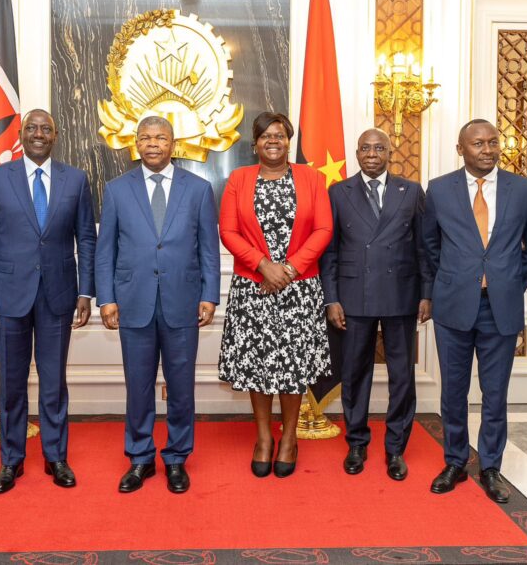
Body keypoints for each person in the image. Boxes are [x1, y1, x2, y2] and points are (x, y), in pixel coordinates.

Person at [0, 109, 96, 492]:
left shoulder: (74, 179)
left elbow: (86, 239)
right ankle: (11, 461)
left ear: (55, 135)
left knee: (54, 382)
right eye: (32, 128)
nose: (38, 133)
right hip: (6, 297)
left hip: (59, 295)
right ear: (22, 134)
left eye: (46, 128)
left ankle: (56, 457)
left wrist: (85, 291)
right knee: (11, 382)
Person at [96, 115, 220, 494]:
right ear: (136, 142)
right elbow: (106, 251)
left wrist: (210, 294)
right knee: (138, 385)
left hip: (183, 301)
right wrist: (106, 298)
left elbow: (208, 250)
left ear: (172, 144)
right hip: (133, 302)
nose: (152, 144)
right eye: (145, 137)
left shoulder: (198, 189)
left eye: (160, 138)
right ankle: (140, 458)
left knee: (181, 387)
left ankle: (177, 458)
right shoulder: (117, 190)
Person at [423, 119, 527, 503]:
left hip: (500, 309)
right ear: (461, 149)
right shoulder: (439, 190)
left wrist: (508, 282)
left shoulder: (523, 190)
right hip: (453, 307)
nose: (488, 149)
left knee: (495, 393)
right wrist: (454, 281)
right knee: (453, 392)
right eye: (478, 143)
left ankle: (491, 467)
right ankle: (455, 461)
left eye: (493, 142)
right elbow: (429, 247)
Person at [218, 112, 332, 479]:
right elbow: (229, 231)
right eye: (266, 135)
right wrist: (263, 266)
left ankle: (289, 440)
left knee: (292, 366)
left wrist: (289, 269)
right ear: (255, 143)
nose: (273, 141)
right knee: (257, 365)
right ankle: (264, 438)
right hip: (253, 288)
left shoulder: (312, 179)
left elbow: (324, 229)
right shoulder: (238, 179)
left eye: (280, 135)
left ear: (289, 141)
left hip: (299, 289)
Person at [320, 128, 432, 479]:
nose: (372, 153)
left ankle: (396, 447)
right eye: (365, 148)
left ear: (389, 153)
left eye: (379, 148)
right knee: (354, 374)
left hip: (401, 295)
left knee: (402, 377)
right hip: (353, 297)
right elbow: (330, 252)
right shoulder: (338, 192)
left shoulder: (411, 191)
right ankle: (357, 442)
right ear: (356, 153)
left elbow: (424, 247)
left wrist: (427, 293)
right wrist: (331, 298)